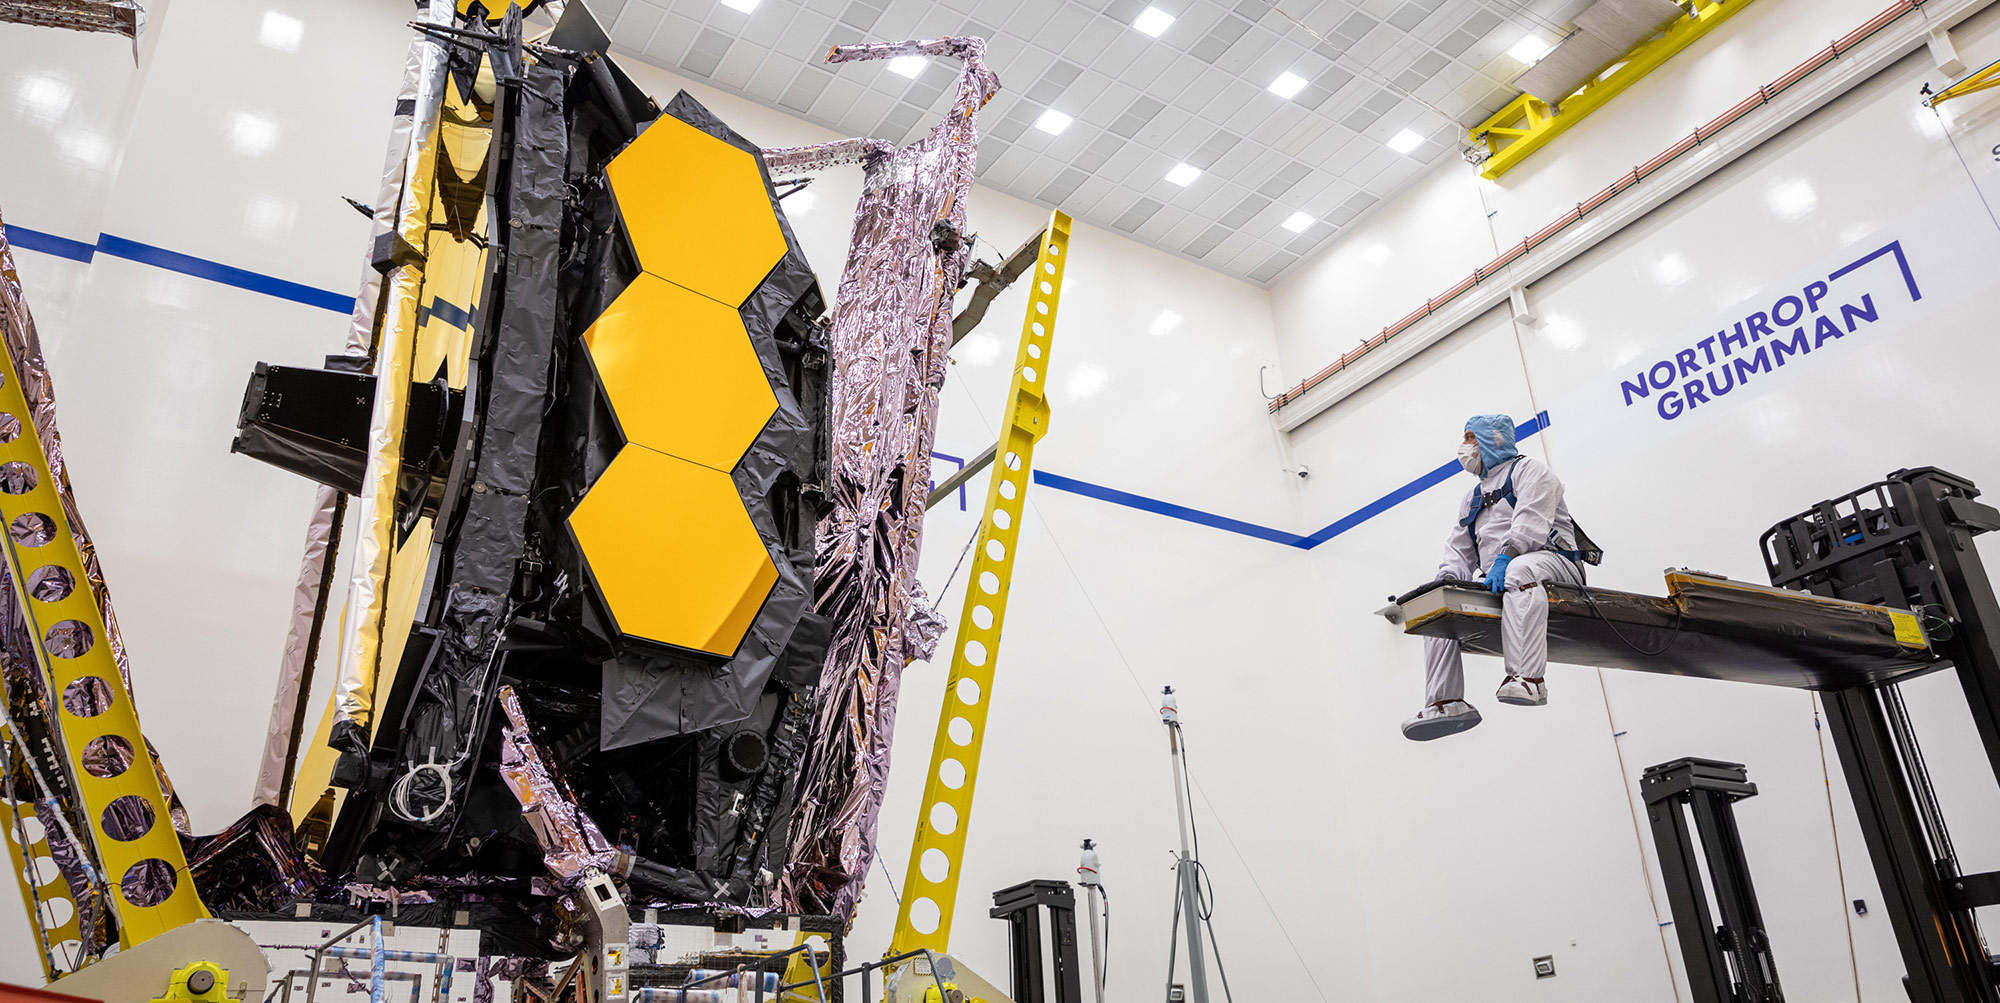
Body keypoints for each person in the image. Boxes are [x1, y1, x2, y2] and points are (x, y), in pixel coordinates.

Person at [1403, 414, 1584, 742]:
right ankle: (1446, 702)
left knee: (1519, 570)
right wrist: (1446, 582)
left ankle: (1528, 680)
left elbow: (1531, 524)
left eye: (1470, 438)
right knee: (1437, 602)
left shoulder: (1530, 471)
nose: (1464, 447)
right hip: (1501, 577)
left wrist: (1505, 558)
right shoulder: (1472, 498)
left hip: (1555, 566)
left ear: (1493, 439)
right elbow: (1458, 551)